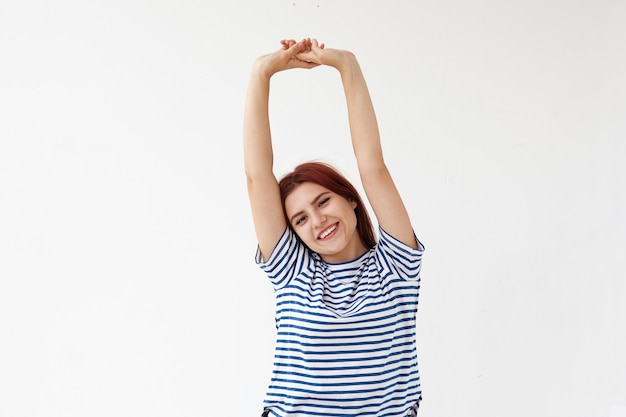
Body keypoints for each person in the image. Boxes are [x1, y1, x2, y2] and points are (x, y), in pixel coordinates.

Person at [243, 38, 425, 417]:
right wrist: (262, 73)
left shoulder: (396, 266)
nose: (318, 221)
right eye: (300, 219)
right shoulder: (293, 271)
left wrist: (347, 65)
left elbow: (373, 165)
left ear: (352, 200)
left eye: (323, 202)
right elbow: (257, 176)